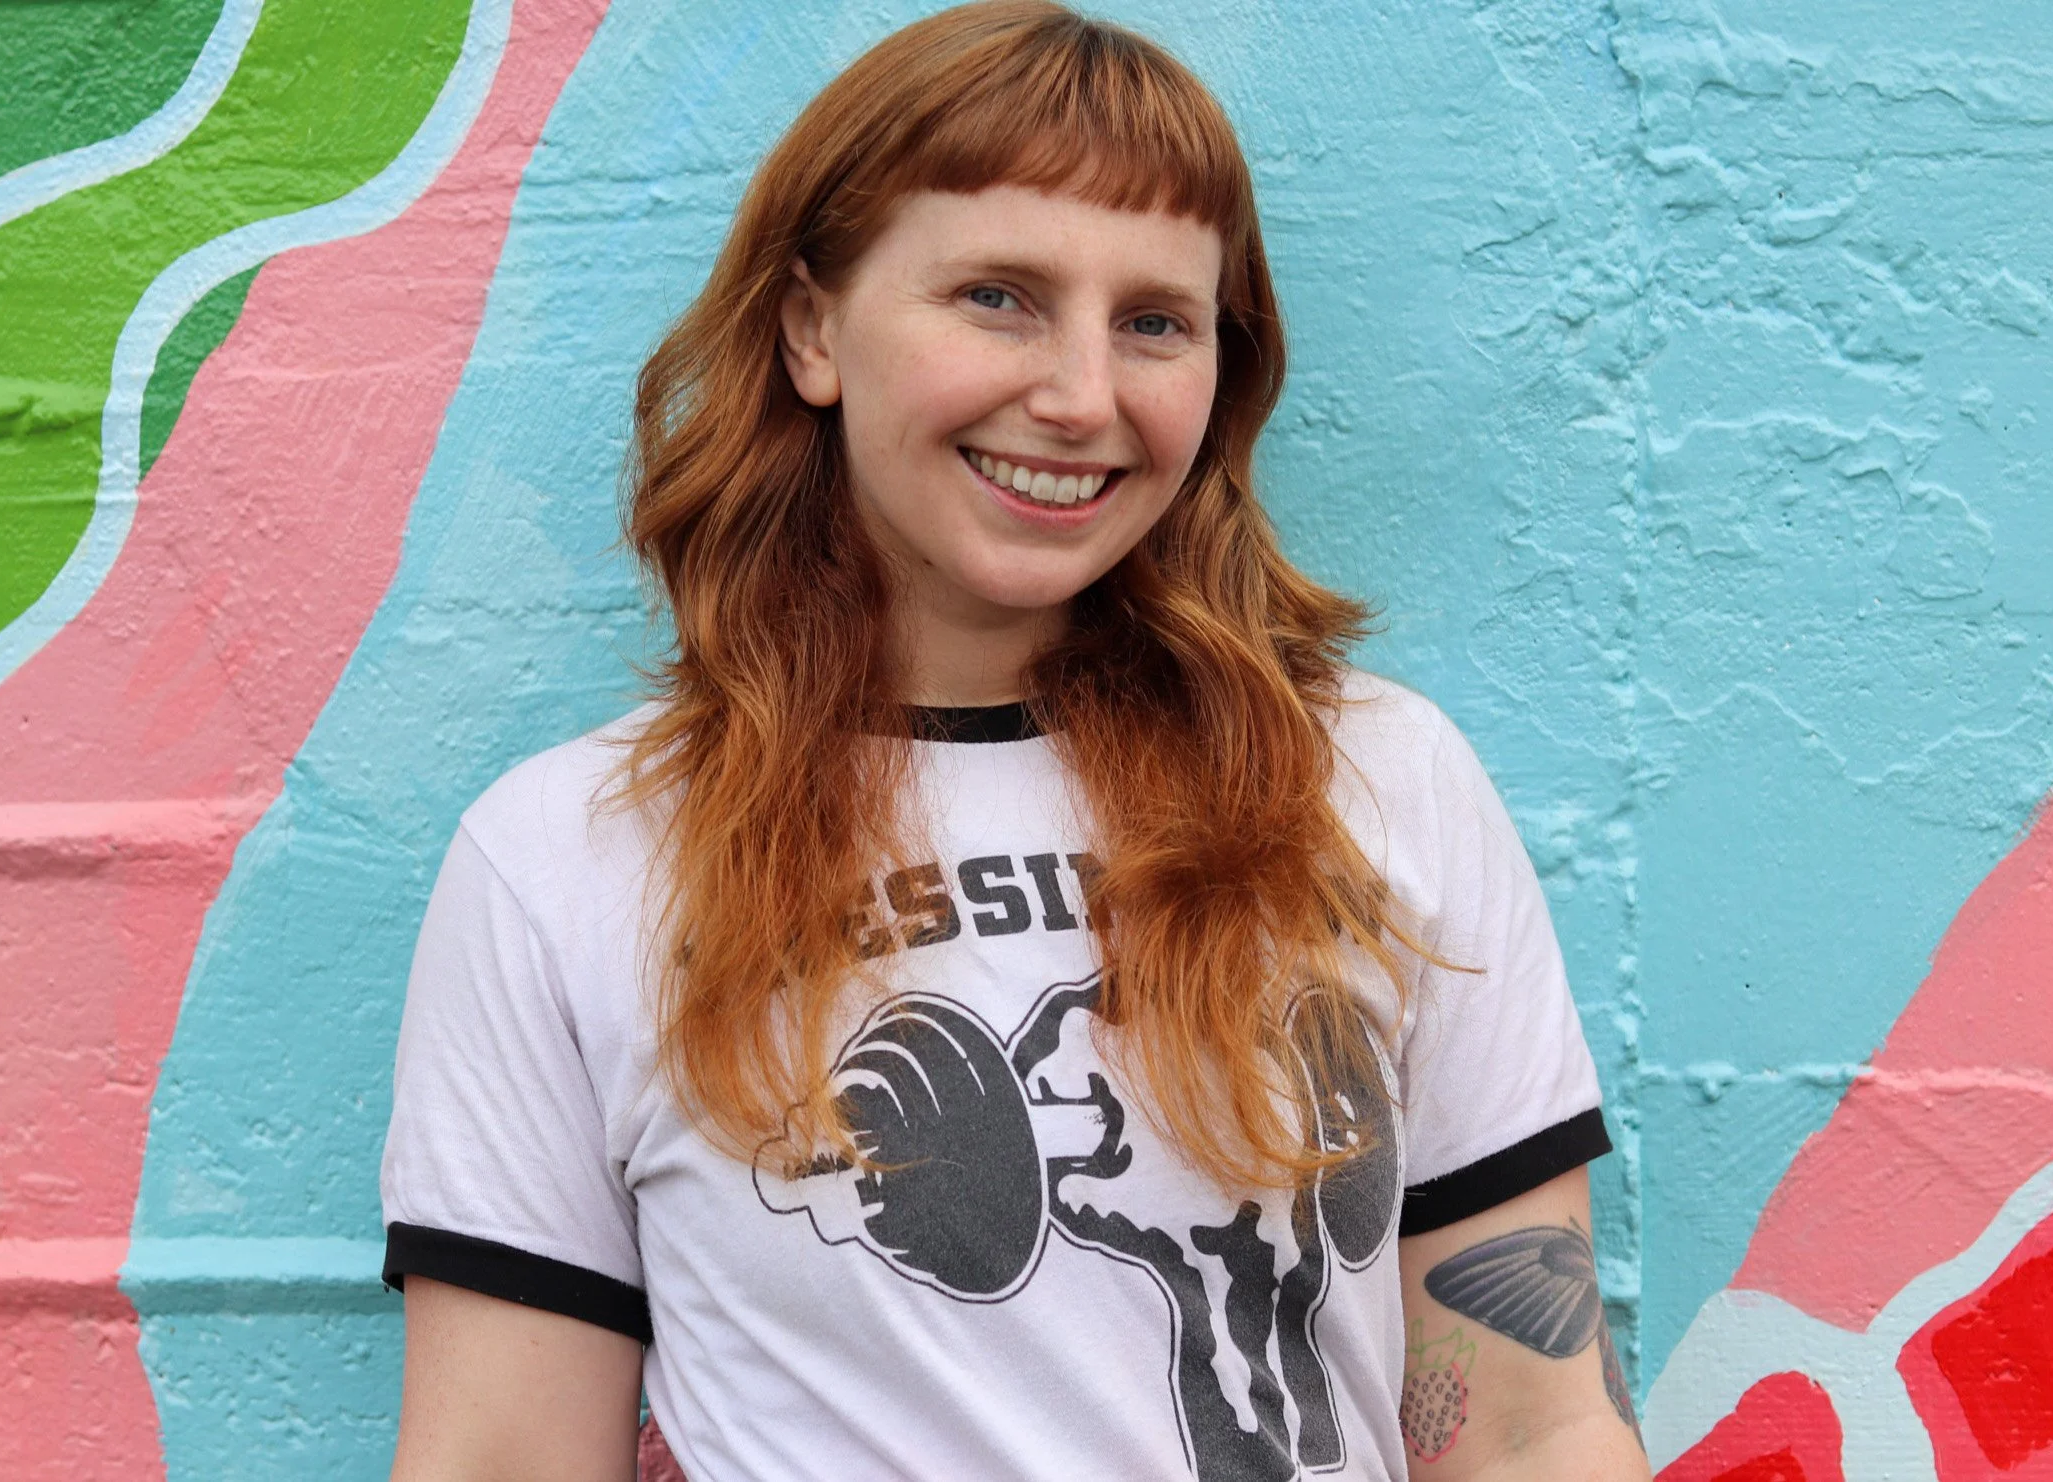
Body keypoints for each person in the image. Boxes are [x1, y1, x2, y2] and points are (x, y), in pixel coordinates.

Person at [380, 4, 1652, 1478]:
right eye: (997, 295)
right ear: (810, 330)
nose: (1079, 396)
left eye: (1154, 322)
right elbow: (503, 1459)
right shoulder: (568, 855)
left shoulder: (1373, 780)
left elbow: (1527, 1425)